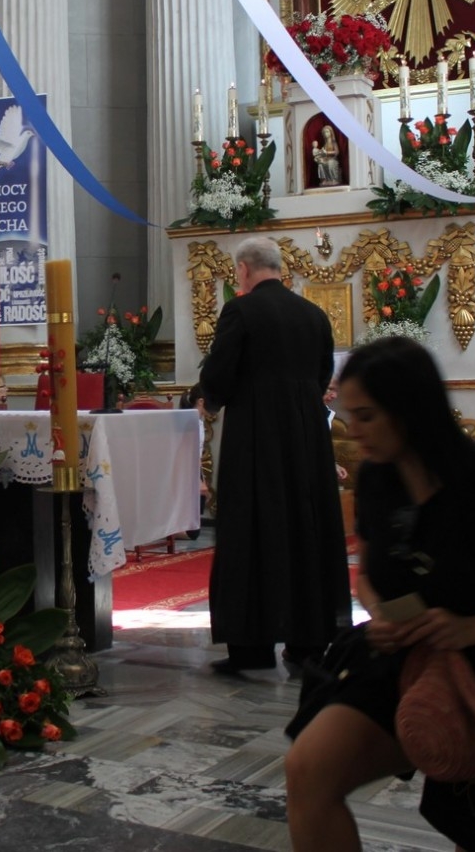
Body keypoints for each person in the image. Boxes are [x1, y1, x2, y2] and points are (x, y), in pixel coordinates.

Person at [285, 337, 475, 852]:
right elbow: (370, 574)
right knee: (309, 771)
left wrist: (471, 628)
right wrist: (381, 612)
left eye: (366, 416)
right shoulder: (378, 478)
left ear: (410, 410)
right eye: (349, 415)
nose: (351, 430)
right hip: (398, 661)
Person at [198, 236, 349, 673]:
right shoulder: (314, 314)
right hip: (306, 439)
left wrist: (208, 398)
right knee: (305, 530)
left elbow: (220, 374)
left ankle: (251, 649)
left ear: (243, 270)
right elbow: (322, 375)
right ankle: (307, 646)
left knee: (251, 530)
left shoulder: (240, 311)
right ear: (280, 269)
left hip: (255, 437)